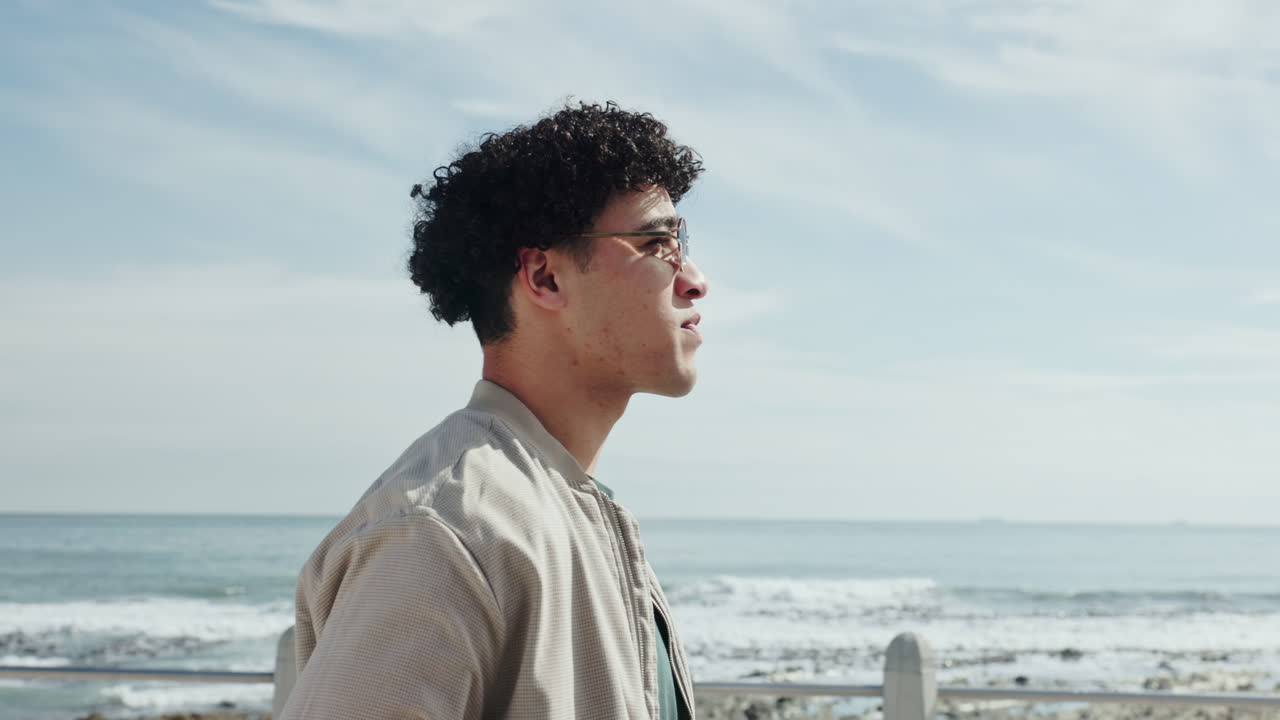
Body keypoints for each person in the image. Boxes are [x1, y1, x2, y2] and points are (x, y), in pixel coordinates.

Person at [279, 102, 709, 719]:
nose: (693, 279)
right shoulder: (441, 534)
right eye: (654, 242)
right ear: (545, 276)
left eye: (680, 241)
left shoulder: (576, 512)